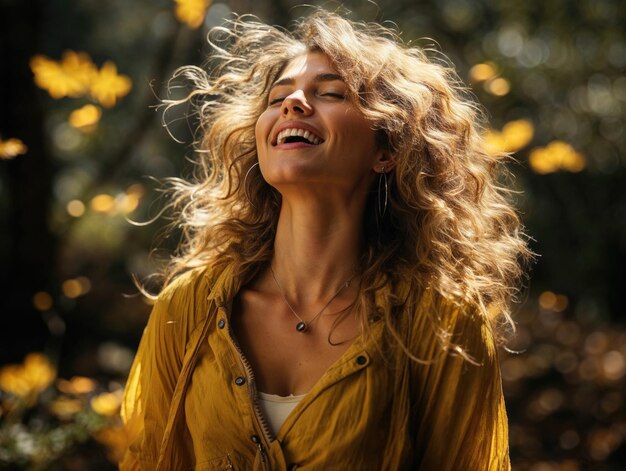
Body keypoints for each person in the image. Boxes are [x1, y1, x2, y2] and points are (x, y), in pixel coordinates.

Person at [119, 8, 530, 471]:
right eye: (277, 98)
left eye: (331, 93)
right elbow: (148, 459)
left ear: (387, 149)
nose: (292, 103)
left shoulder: (440, 322)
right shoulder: (189, 308)